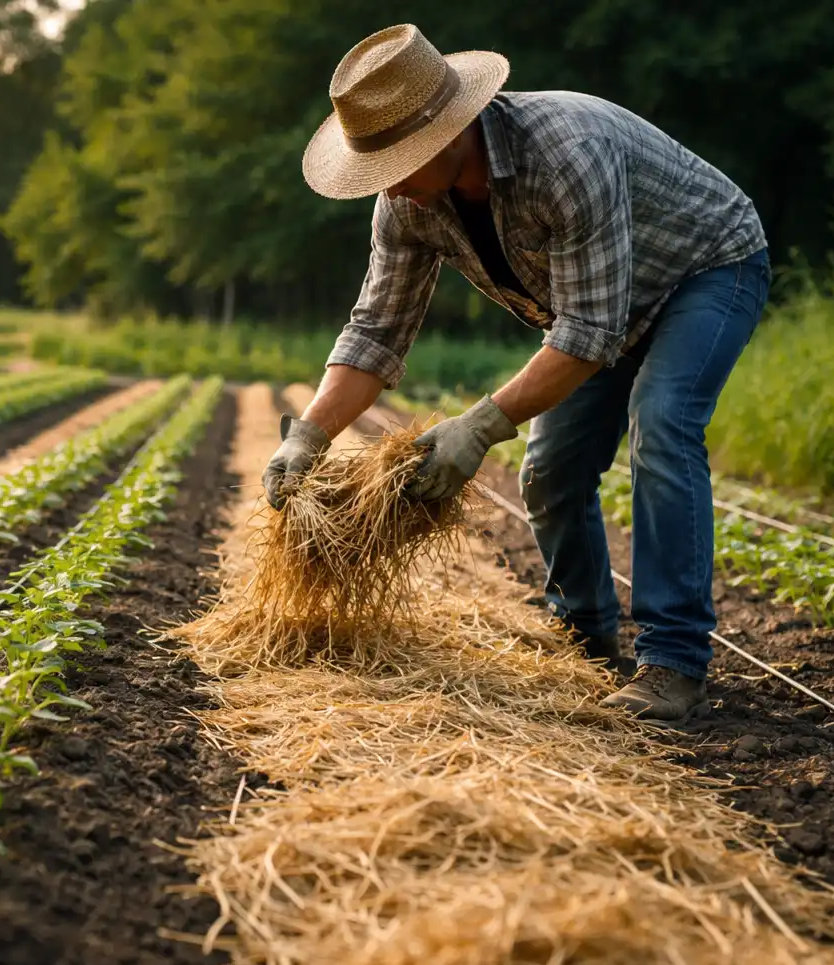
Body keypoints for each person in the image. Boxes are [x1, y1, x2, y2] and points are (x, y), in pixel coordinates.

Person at [264, 24, 770, 723]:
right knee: (549, 471)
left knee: (662, 421)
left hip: (704, 269)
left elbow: (589, 335)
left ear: (449, 133)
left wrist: (476, 428)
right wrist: (309, 436)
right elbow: (377, 330)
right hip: (595, 310)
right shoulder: (408, 201)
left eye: (401, 164)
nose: (393, 189)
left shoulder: (564, 152)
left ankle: (673, 661)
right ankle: (585, 638)